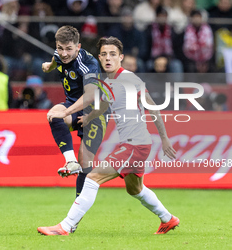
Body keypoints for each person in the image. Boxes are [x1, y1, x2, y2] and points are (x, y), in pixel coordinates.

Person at [38, 36, 179, 236]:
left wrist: (164, 138)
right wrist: (90, 117)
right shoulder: (109, 81)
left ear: (121, 57)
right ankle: (168, 219)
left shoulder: (129, 79)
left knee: (93, 178)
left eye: (113, 54)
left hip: (135, 145)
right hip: (136, 144)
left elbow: (153, 107)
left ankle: (65, 226)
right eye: (104, 54)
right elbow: (105, 101)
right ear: (99, 57)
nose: (108, 58)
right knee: (135, 189)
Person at [43, 25, 108, 198]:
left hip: (95, 112)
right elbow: (55, 60)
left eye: (69, 49)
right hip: (74, 105)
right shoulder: (59, 55)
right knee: (52, 115)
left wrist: (65, 113)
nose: (64, 53)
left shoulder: (88, 65)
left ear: (78, 47)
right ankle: (70, 162)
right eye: (60, 48)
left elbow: (89, 96)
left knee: (86, 164)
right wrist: (49, 66)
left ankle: (78, 208)